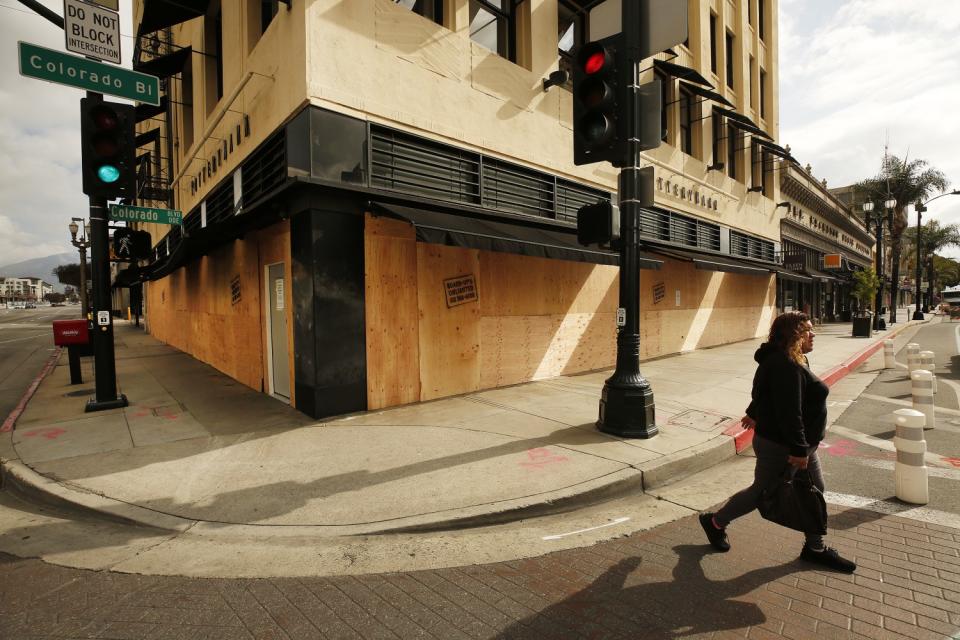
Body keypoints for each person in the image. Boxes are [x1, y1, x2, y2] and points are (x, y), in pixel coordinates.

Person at [699, 311, 856, 573]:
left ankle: (814, 547)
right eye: (807, 330)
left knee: (813, 488)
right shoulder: (786, 365)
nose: (813, 333)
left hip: (799, 444)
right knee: (762, 492)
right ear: (793, 335)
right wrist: (797, 449)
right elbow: (789, 411)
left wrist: (754, 411)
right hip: (783, 446)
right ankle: (715, 522)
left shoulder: (793, 359)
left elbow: (767, 390)